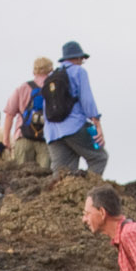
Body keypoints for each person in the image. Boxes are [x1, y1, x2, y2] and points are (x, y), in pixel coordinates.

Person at [45, 41, 107, 179]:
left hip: (52, 133)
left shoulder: (51, 77)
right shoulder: (79, 72)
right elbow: (87, 100)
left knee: (62, 174)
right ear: (78, 58)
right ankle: (89, 194)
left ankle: (59, 199)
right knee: (99, 158)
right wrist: (97, 122)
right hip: (74, 126)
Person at [3, 58, 53, 174]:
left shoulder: (22, 88)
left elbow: (9, 114)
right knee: (44, 177)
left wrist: (6, 139)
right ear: (50, 70)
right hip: (45, 138)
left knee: (21, 176)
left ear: (34, 71)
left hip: (23, 137)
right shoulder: (52, 89)